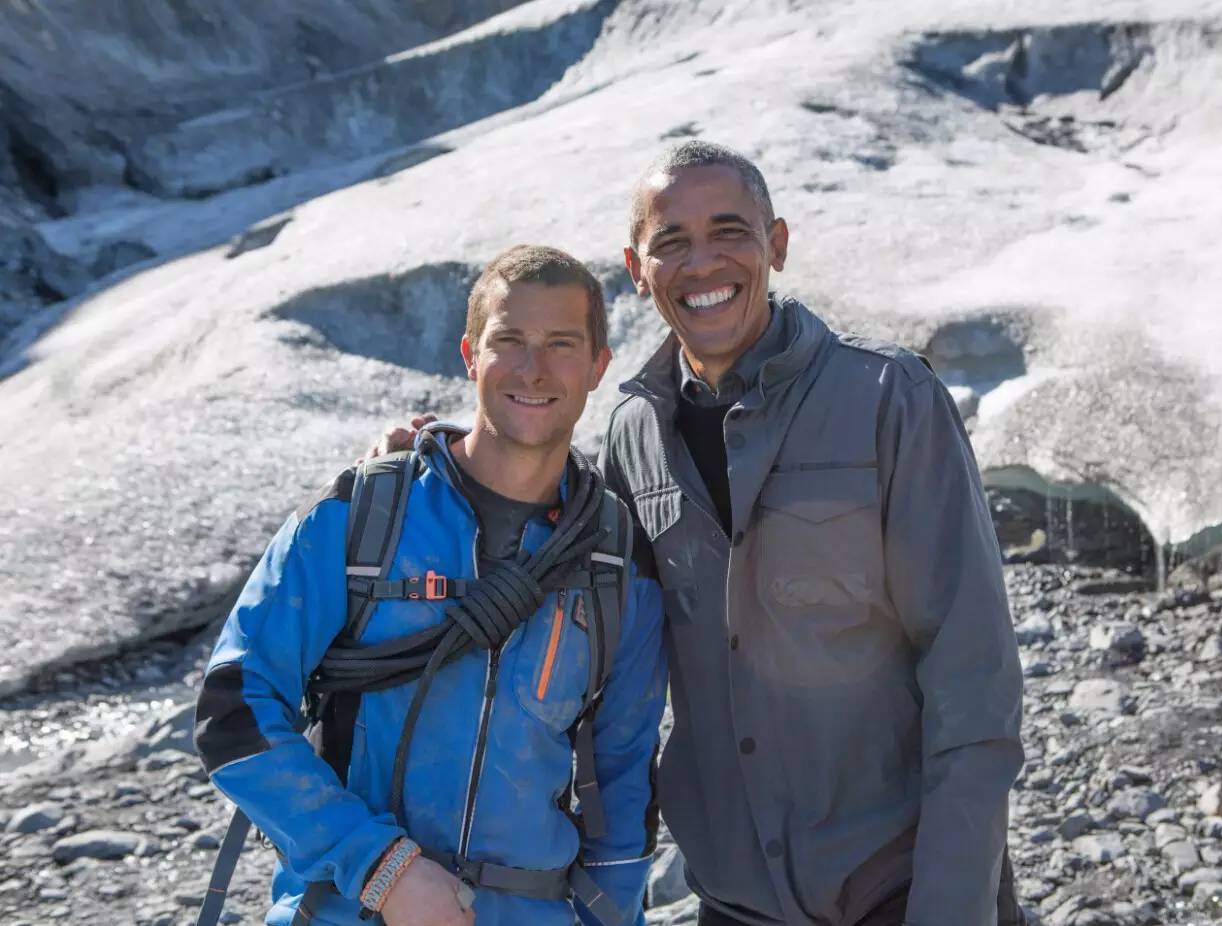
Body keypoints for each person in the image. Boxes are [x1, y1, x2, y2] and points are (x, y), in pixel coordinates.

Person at [378, 141, 1025, 926]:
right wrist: (437, 461)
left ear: (776, 245)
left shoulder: (890, 399)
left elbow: (973, 672)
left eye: (729, 232)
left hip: (894, 886)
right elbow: (563, 584)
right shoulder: (633, 433)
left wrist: (953, 906)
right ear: (636, 268)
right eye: (672, 242)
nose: (703, 263)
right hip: (735, 895)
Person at [195, 245, 667, 926]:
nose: (534, 369)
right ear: (471, 355)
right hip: (348, 909)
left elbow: (623, 779)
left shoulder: (616, 559)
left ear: (599, 366)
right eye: (510, 341)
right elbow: (233, 706)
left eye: (562, 344)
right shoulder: (360, 518)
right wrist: (380, 869)